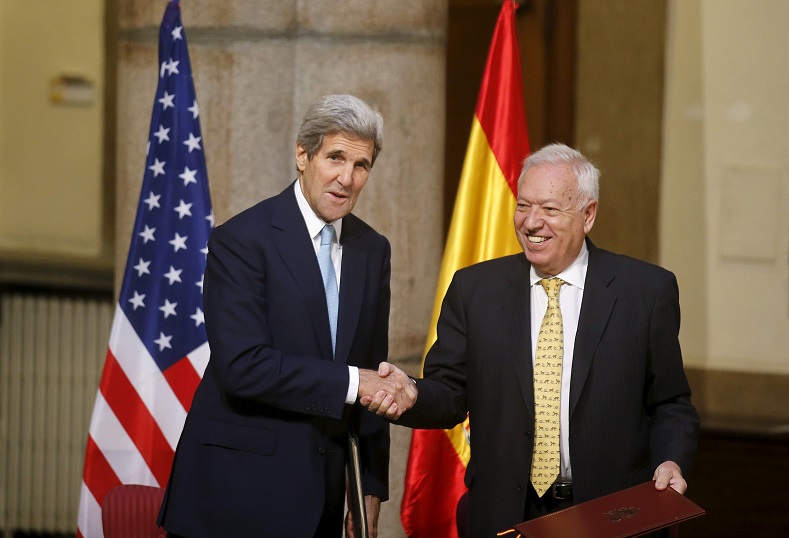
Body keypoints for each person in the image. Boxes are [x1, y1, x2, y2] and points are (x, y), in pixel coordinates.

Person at [372, 143, 700, 536]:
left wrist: (671, 461)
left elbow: (671, 403)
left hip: (608, 515)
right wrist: (411, 393)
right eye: (523, 206)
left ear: (588, 215)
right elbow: (450, 393)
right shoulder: (475, 289)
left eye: (549, 209)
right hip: (504, 515)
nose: (531, 222)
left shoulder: (645, 292)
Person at [158, 94, 417, 538]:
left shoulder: (372, 250)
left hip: (325, 496)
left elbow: (375, 369)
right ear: (303, 154)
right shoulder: (241, 240)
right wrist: (355, 383)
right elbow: (243, 367)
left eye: (361, 165)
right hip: (236, 494)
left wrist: (369, 488)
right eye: (335, 157)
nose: (346, 178)